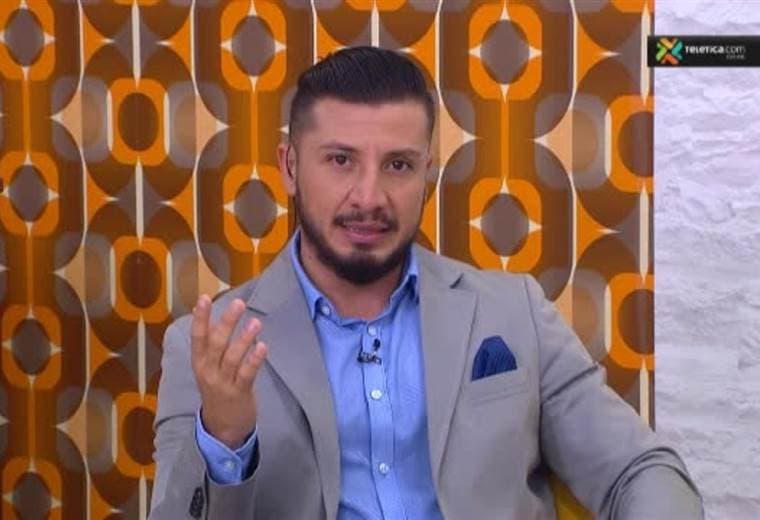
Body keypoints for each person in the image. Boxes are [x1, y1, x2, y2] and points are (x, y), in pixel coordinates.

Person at [150, 46, 701, 519]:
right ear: (290, 167)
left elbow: (640, 469)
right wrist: (224, 441)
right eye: (340, 160)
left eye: (398, 165)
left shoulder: (515, 312)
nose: (369, 197)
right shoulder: (210, 346)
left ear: (428, 173)